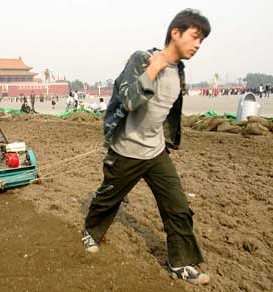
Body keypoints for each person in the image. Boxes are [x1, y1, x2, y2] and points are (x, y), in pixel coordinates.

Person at [82, 9, 211, 285]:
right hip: (126, 150)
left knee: (177, 206)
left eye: (202, 40)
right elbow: (128, 100)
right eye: (195, 37)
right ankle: (91, 231)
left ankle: (181, 264)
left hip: (155, 151)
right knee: (108, 198)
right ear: (175, 33)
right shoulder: (141, 58)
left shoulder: (181, 72)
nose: (198, 45)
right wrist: (156, 65)